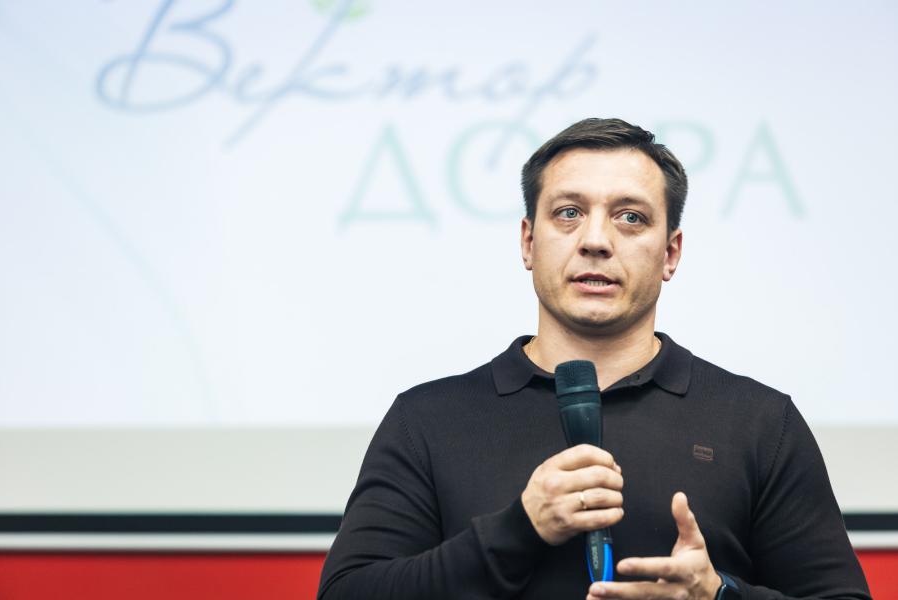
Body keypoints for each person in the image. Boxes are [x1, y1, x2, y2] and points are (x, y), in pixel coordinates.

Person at [317, 118, 871, 600]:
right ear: (528, 243)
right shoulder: (427, 419)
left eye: (630, 217)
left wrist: (719, 594)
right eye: (568, 213)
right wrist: (519, 530)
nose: (596, 241)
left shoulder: (759, 422)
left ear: (670, 252)